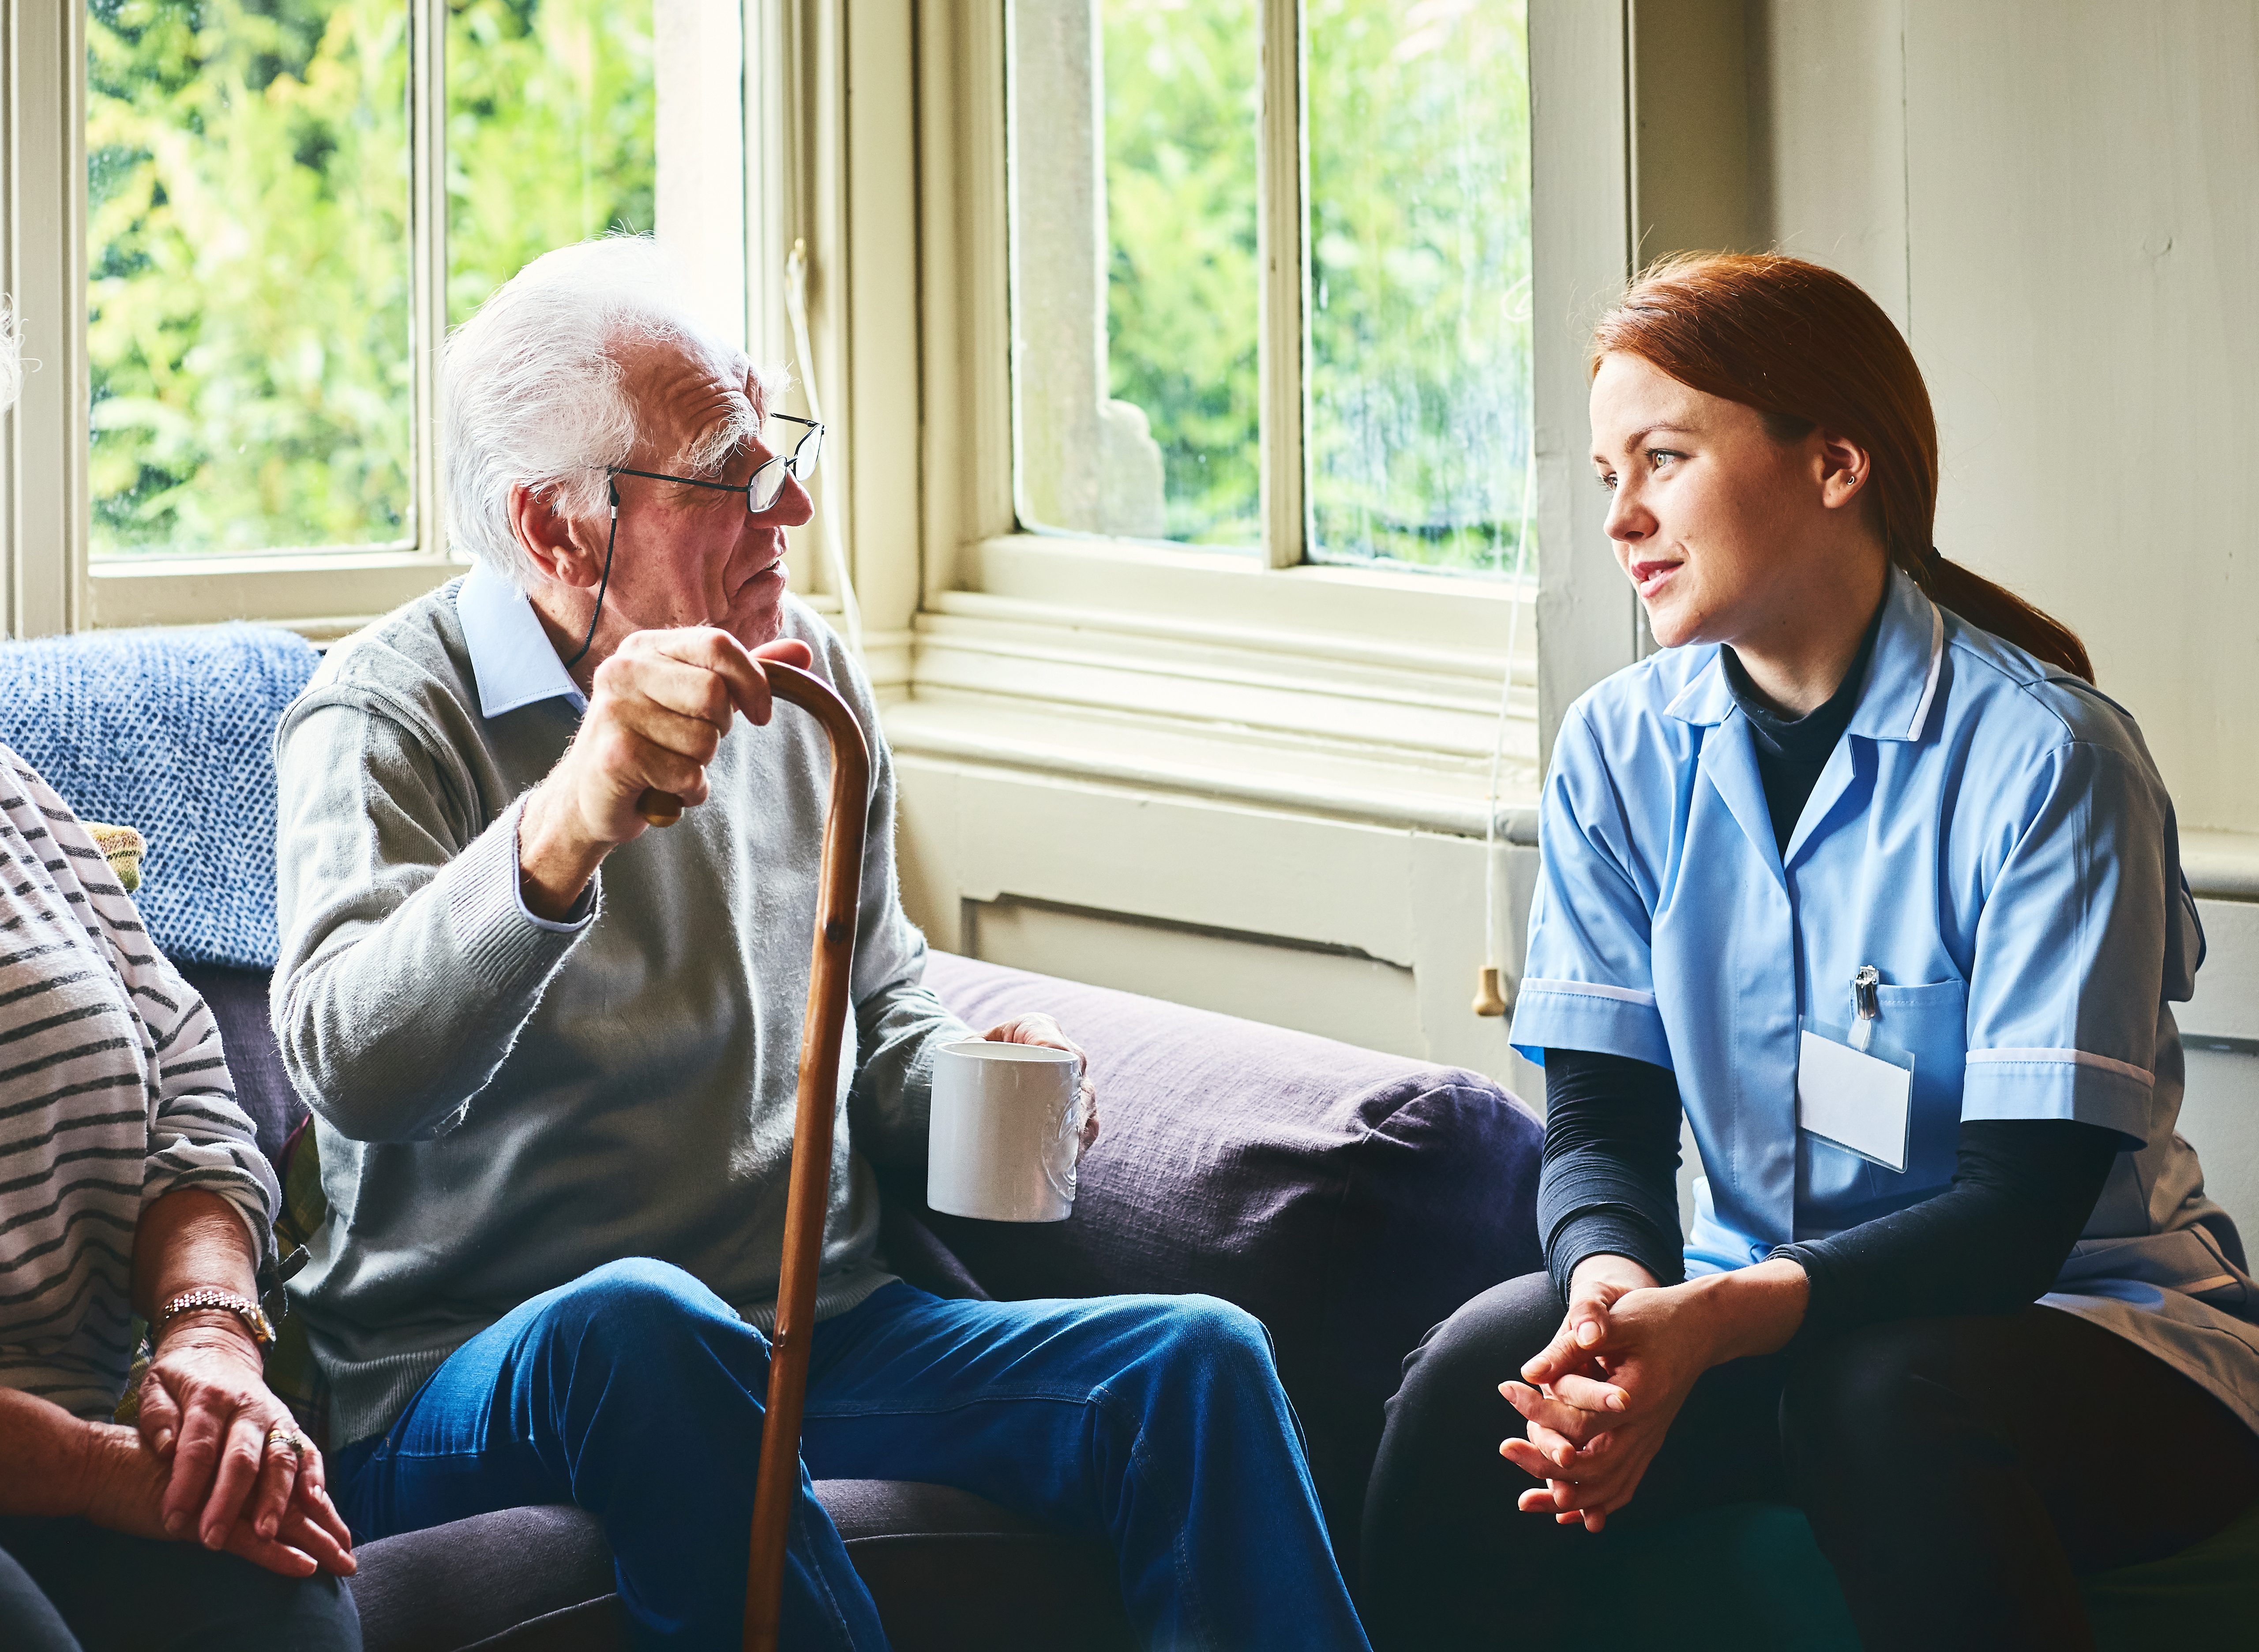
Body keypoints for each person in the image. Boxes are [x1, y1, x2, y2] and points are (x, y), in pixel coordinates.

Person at [270, 235, 1367, 1651]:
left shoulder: (813, 687)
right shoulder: (386, 714)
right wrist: (565, 825)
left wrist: (971, 1071)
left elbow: (883, 1004)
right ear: (554, 528)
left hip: (812, 1331)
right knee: (637, 1326)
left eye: (776, 445)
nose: (791, 502)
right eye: (729, 472)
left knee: (1196, 1361)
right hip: (477, 1368)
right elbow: (352, 1066)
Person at [1360, 252, 2259, 1651]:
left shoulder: (2051, 760)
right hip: (1749, 1299)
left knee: (1878, 1398)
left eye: (1663, 458)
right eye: (1608, 473)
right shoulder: (1614, 749)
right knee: (1481, 1377)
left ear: (1835, 463)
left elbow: (2020, 1213)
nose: (1622, 516)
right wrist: (1613, 1294)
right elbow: (1601, 1124)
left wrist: (1715, 1324)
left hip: (2094, 1328)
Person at [0, 202, 358, 1648]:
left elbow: (193, 1100)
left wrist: (212, 1343)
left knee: (270, 1569)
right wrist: (88, 1472)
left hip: (97, 1425)